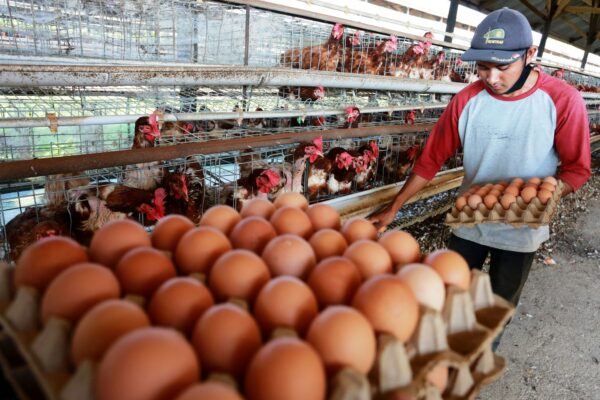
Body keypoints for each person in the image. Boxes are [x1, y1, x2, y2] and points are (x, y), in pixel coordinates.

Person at [369, 7, 591, 307]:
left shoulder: (563, 100)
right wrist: (395, 207)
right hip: (469, 220)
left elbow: (577, 169)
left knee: (496, 310)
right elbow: (430, 160)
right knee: (449, 301)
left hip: (521, 228)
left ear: (529, 54)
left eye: (503, 67)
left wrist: (542, 196)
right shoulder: (467, 100)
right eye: (483, 67)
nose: (492, 78)